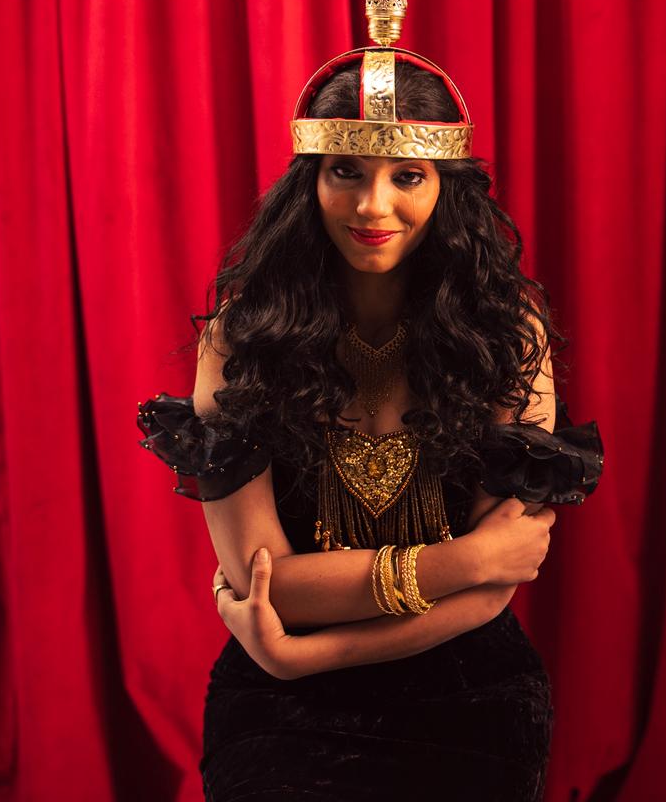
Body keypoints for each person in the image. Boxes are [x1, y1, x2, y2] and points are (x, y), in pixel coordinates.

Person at [137, 46, 604, 801]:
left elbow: (493, 594)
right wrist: (468, 558)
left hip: (468, 688)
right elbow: (270, 584)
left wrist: (306, 655)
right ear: (309, 183)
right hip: (278, 708)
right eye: (346, 172)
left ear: (446, 187)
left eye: (407, 176)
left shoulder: (506, 334)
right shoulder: (242, 338)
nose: (371, 207)